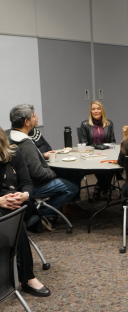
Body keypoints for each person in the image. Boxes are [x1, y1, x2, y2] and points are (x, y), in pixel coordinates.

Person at [8, 104, 81, 225]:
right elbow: (38, 173)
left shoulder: (11, 137)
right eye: (34, 116)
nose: (37, 117)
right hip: (33, 185)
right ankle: (45, 213)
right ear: (27, 122)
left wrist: (41, 155)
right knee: (71, 187)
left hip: (18, 185)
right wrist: (54, 173)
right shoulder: (25, 143)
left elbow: (24, 161)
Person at [0, 127, 51, 297]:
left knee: (14, 213)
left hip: (20, 204)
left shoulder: (14, 154)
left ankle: (26, 277)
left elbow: (28, 183)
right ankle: (28, 277)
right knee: (11, 216)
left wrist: (24, 195)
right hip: (3, 207)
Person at [79, 100, 117, 200]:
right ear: (90, 111)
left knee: (113, 166)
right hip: (93, 156)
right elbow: (84, 144)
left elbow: (112, 141)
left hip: (107, 154)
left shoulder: (109, 124)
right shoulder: (85, 124)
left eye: (98, 109)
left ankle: (100, 186)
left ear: (102, 110)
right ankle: (105, 189)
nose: (96, 111)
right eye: (93, 109)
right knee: (101, 167)